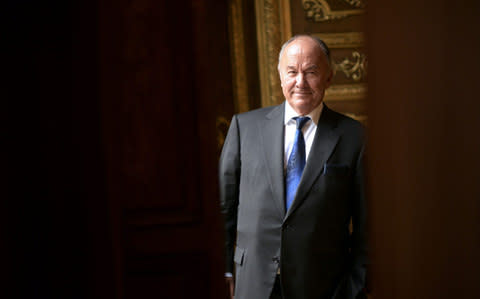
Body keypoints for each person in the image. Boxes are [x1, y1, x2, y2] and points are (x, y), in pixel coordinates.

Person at [219, 35, 367, 299]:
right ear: (280, 76)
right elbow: (223, 208)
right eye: (292, 72)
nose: (300, 82)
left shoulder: (354, 137)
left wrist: (354, 288)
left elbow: (369, 227)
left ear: (329, 77)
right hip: (251, 284)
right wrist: (225, 274)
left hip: (325, 288)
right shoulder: (244, 128)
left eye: (311, 72)